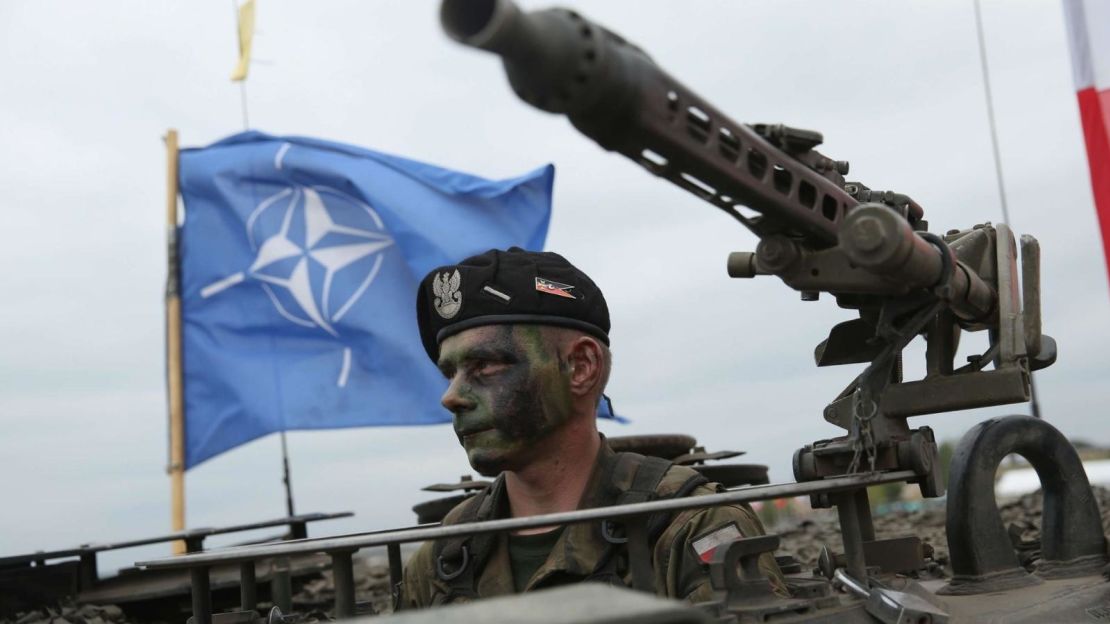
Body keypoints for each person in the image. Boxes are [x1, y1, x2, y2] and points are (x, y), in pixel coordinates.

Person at [398, 247, 785, 608]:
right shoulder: (446, 553)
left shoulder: (688, 525)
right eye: (450, 373)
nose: (451, 396)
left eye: (485, 365)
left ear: (581, 367)